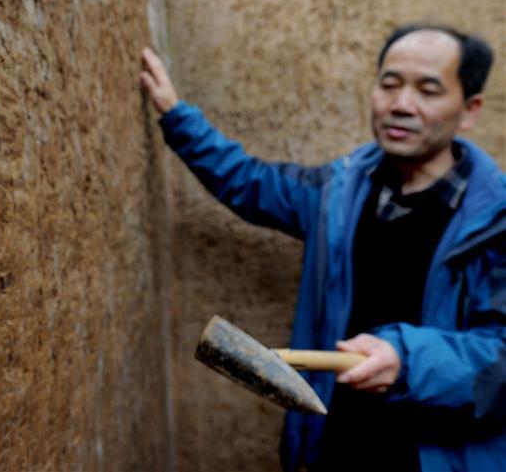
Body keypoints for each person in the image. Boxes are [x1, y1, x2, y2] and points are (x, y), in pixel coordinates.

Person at [139, 25, 505, 472]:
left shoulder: (496, 222)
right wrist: (178, 118)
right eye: (389, 84)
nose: (401, 104)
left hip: (434, 457)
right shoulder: (338, 192)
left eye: (428, 90)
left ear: (469, 110)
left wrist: (408, 359)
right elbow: (251, 183)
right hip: (334, 445)